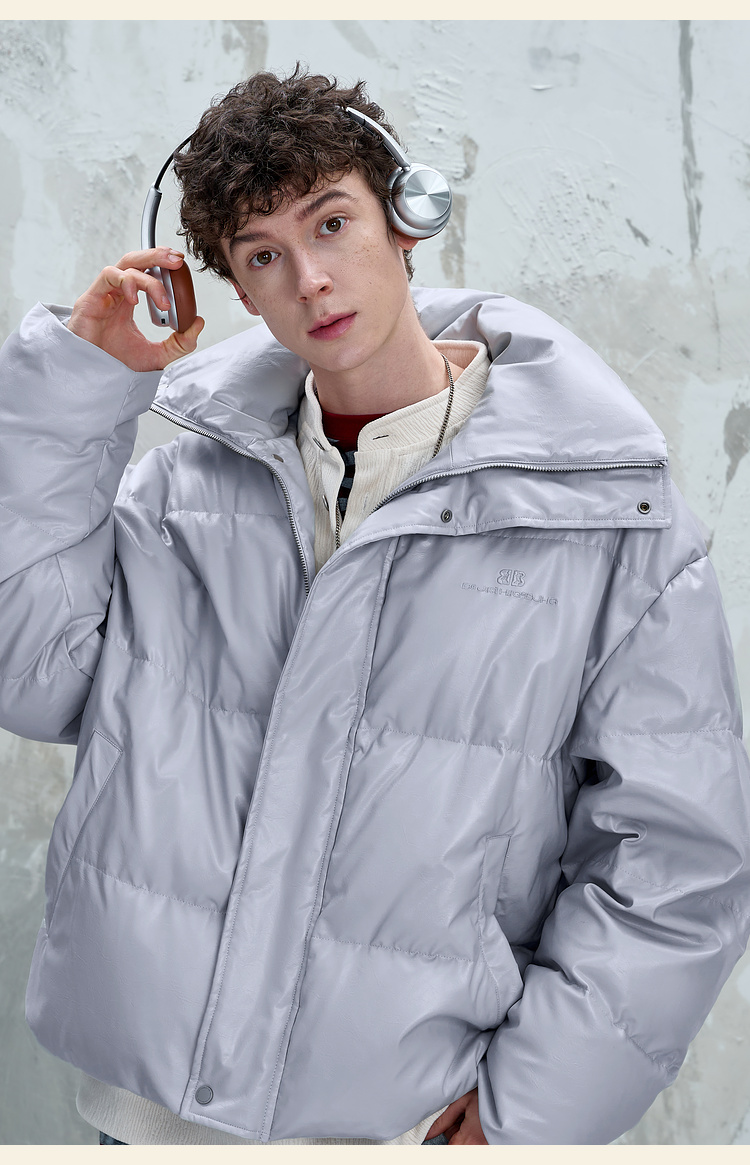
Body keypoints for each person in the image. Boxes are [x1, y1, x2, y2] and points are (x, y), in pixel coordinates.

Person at [1, 66, 750, 1148]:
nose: (311, 279)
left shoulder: (610, 517)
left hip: (402, 1128)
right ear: (237, 289)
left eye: (331, 222)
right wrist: (76, 389)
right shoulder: (179, 490)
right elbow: (31, 675)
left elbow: (678, 859)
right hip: (150, 1118)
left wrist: (527, 1115)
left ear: (406, 217)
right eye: (263, 254)